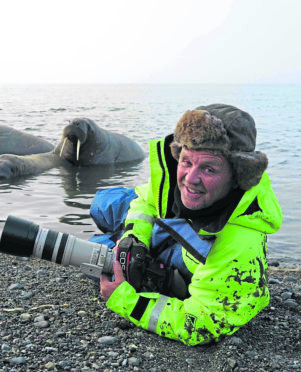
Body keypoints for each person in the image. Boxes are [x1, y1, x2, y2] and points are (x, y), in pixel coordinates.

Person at [98, 103, 282, 346]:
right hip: (174, 231)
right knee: (101, 203)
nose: (190, 179)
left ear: (238, 175)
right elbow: (145, 199)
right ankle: (121, 238)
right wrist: (133, 239)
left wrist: (124, 299)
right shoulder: (180, 178)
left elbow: (198, 324)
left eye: (209, 168)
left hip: (194, 257)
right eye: (186, 162)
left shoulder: (239, 247)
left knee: (97, 249)